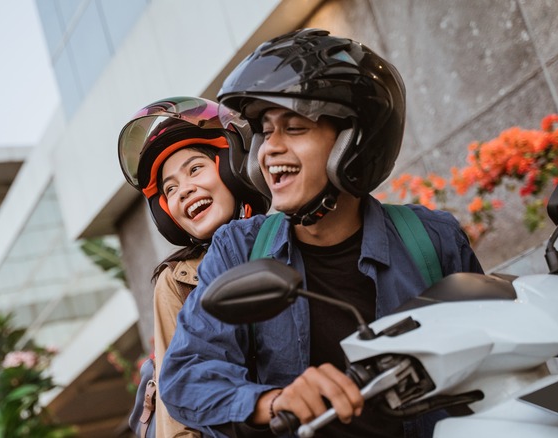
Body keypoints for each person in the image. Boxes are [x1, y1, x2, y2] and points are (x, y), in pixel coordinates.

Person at [159, 29, 484, 437]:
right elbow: (187, 375)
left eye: (294, 127)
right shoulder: (239, 250)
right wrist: (272, 402)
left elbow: (497, 350)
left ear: (355, 142)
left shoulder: (433, 240)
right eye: (264, 129)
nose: (269, 148)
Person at [117, 96, 269, 437]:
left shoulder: (285, 239)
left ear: (231, 165)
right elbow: (176, 402)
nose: (184, 190)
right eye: (170, 189)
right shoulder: (177, 281)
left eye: (195, 169)